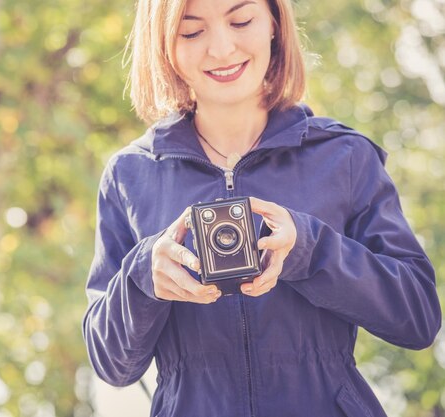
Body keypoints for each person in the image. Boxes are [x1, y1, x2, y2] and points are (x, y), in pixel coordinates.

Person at [82, 0, 442, 415]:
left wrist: (310, 250)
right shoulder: (131, 175)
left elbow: (418, 318)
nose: (221, 49)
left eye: (241, 20)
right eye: (192, 31)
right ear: (163, 43)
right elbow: (112, 365)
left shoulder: (344, 156)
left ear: (274, 22)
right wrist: (144, 275)